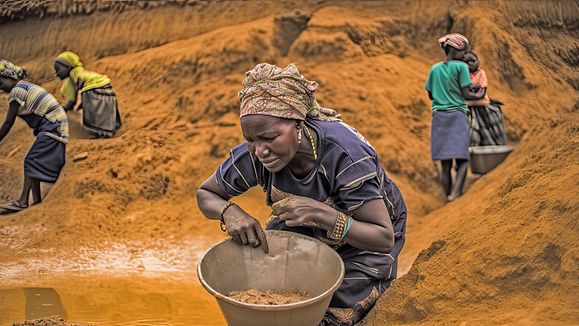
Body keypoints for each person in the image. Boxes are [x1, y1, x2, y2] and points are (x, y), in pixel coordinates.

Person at [197, 63, 407, 326]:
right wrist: (229, 211)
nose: (260, 150)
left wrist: (323, 214)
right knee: (273, 288)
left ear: (298, 124)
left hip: (364, 237)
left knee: (327, 314)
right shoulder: (257, 154)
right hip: (304, 224)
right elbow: (206, 194)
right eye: (250, 139)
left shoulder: (345, 156)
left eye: (270, 137)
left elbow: (382, 237)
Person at [0, 60, 68, 211]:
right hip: (56, 125)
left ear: (10, 77)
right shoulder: (26, 86)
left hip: (52, 125)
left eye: (0, 82)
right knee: (34, 161)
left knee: (31, 160)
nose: (0, 87)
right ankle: (37, 202)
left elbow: (8, 122)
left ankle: (22, 201)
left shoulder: (16, 91)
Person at [424, 33, 480, 202]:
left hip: (439, 117)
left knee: (445, 162)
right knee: (462, 158)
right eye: (464, 52)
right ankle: (456, 194)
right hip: (457, 115)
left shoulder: (434, 68)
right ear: (456, 51)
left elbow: (430, 95)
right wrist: (481, 94)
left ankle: (447, 195)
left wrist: (444, 95)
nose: (465, 56)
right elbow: (466, 94)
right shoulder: (461, 67)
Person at [53, 51, 122, 138]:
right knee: (103, 110)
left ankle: (99, 132)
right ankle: (108, 130)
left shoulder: (72, 77)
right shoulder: (80, 72)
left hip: (93, 90)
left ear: (68, 67)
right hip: (107, 88)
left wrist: (62, 109)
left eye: (58, 69)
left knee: (94, 116)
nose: (56, 74)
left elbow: (72, 101)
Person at [463, 51, 506, 146]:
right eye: (466, 62)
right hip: (468, 108)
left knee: (491, 126)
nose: (470, 63)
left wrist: (469, 90)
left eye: (473, 60)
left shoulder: (481, 73)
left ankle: (495, 146)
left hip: (482, 106)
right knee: (472, 132)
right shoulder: (461, 76)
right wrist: (475, 88)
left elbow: (481, 93)